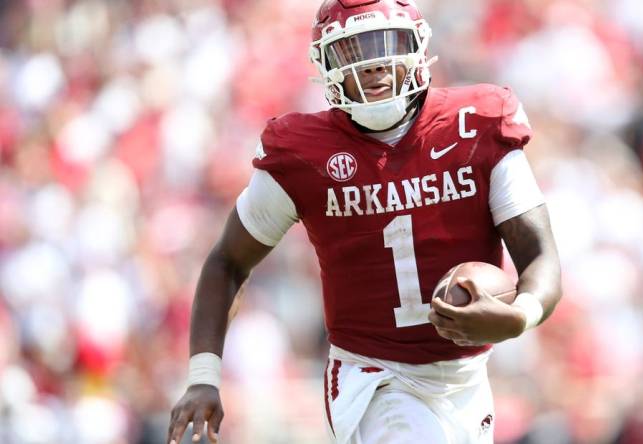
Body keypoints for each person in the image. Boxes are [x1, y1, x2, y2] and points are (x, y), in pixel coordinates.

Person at [167, 0, 561, 443]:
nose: (373, 65)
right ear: (325, 64)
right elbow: (227, 262)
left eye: (384, 45)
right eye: (354, 51)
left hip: (465, 377)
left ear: (417, 49)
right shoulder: (303, 153)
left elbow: (540, 256)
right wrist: (204, 375)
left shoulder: (477, 125)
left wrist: (520, 316)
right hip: (372, 376)